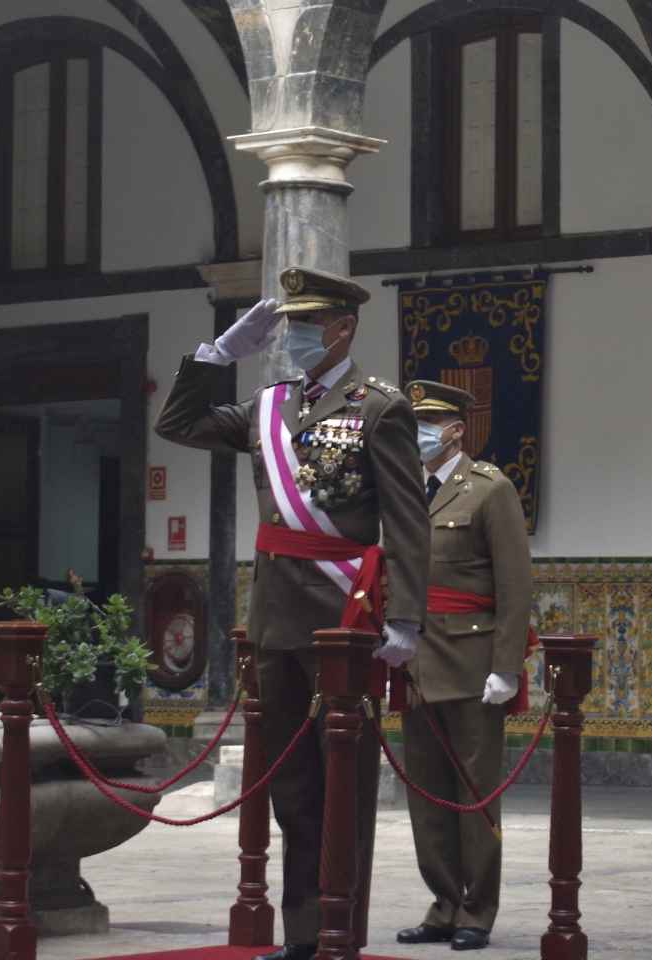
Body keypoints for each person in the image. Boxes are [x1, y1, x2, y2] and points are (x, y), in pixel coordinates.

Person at [155, 267, 430, 960]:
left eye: (307, 325)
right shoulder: (268, 404)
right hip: (276, 619)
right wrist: (217, 355)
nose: (295, 337)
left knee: (345, 784)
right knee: (291, 785)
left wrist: (406, 620)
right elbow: (178, 423)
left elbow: (406, 517)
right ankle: (303, 934)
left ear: (344, 328)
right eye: (290, 325)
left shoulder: (380, 407)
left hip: (345, 620)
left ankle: (342, 930)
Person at [393, 379, 534, 952]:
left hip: (473, 665)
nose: (419, 435)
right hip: (416, 663)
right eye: (415, 424)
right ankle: (443, 901)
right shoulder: (405, 489)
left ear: (456, 430)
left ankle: (477, 908)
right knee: (425, 795)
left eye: (428, 425)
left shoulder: (488, 489)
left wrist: (506, 667)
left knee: (474, 794)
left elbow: (515, 585)